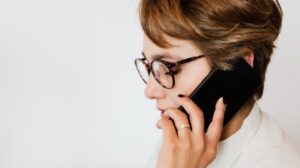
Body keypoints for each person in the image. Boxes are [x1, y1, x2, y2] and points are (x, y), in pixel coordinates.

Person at [134, 0, 300, 167]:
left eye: (168, 67)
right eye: (149, 66)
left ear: (237, 64)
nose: (149, 91)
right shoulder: (182, 140)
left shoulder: (277, 162)